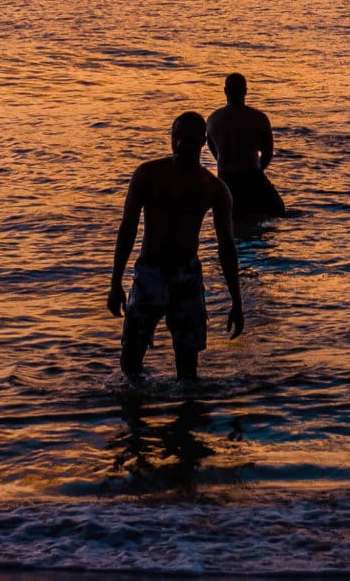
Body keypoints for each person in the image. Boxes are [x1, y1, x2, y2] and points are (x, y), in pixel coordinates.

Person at [110, 111, 244, 383]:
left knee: (188, 373)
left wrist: (237, 301)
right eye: (176, 137)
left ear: (203, 142)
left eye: (188, 139)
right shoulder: (148, 174)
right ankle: (134, 420)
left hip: (187, 278)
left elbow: (226, 247)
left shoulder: (213, 188)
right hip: (149, 274)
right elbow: (128, 228)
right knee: (130, 363)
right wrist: (115, 282)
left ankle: (187, 420)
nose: (180, 144)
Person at [206, 73, 285, 219]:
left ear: (225, 91)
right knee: (279, 212)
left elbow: (214, 151)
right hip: (251, 177)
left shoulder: (212, 119)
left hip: (225, 179)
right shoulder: (258, 118)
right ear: (245, 91)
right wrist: (257, 171)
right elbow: (267, 154)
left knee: (231, 223)